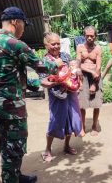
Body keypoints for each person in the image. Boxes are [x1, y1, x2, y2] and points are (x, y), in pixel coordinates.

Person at [0, 7, 63, 183]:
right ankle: (11, 180)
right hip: (11, 107)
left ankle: (15, 176)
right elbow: (41, 66)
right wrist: (57, 63)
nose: (24, 29)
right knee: (15, 145)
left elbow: (8, 73)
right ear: (15, 22)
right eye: (24, 24)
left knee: (5, 142)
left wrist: (33, 85)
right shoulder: (15, 44)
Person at [40, 32, 82, 162]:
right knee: (55, 121)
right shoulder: (44, 61)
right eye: (53, 44)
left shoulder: (65, 56)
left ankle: (67, 146)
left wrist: (77, 73)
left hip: (70, 93)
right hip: (57, 95)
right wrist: (57, 82)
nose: (56, 46)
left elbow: (74, 69)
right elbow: (42, 81)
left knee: (70, 119)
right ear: (46, 45)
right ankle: (47, 150)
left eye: (58, 43)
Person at [76, 26, 103, 136]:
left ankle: (94, 126)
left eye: (92, 36)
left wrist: (94, 83)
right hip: (83, 77)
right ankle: (82, 126)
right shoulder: (80, 47)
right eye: (87, 36)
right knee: (82, 104)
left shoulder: (98, 49)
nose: (89, 38)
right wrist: (87, 71)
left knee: (96, 103)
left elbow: (98, 66)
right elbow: (78, 63)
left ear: (95, 36)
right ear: (84, 36)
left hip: (95, 77)